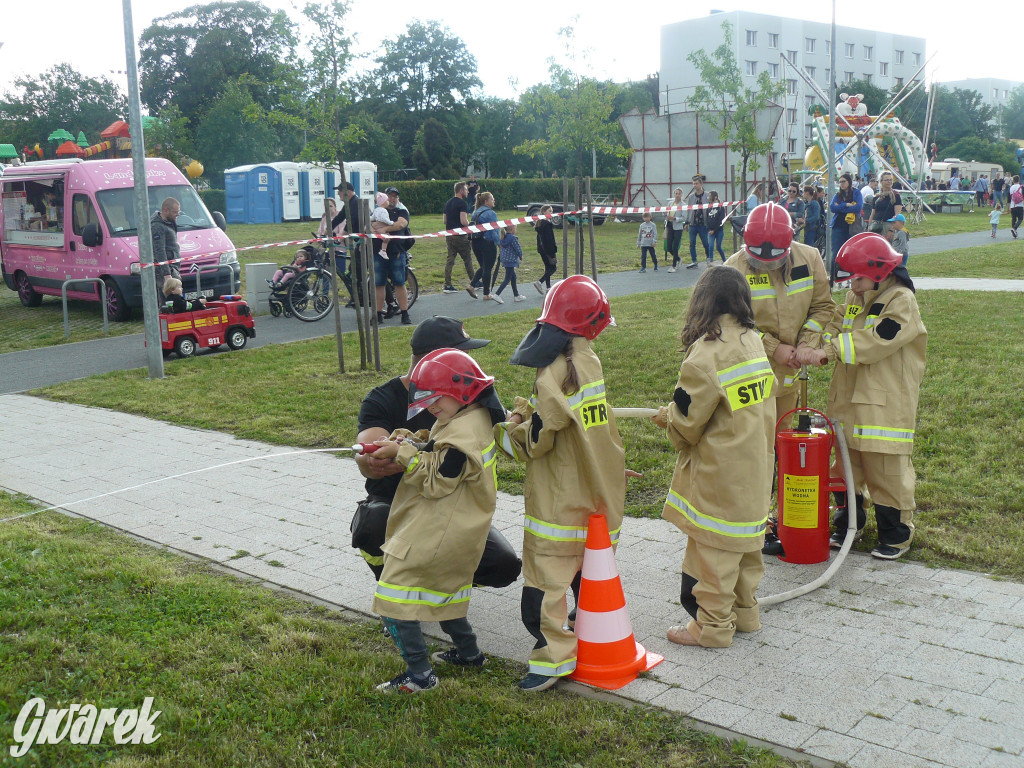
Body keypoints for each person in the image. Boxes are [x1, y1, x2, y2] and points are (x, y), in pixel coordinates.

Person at [495, 275, 625, 692]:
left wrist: (507, 430)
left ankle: (553, 659)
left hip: (557, 501)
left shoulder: (551, 370)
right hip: (595, 489)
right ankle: (588, 630)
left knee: (545, 585)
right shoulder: (588, 360)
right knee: (585, 570)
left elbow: (537, 442)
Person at [370, 348, 507, 693]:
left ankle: (420, 675)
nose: (431, 407)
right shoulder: (471, 417)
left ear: (461, 390)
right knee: (443, 592)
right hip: (457, 529)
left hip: (436, 531)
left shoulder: (463, 434)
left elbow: (438, 481)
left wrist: (403, 455)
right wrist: (411, 441)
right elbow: (441, 451)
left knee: (393, 598)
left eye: (436, 399)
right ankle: (470, 654)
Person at [653, 266, 775, 648]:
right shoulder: (753, 340)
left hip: (721, 473)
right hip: (756, 465)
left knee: (714, 552)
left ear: (702, 302)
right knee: (747, 546)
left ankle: (712, 628)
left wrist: (668, 418)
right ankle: (745, 615)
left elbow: (687, 426)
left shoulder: (704, 355)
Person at [352, 315, 521, 588]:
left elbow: (506, 423)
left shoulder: (466, 394)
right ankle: (392, 583)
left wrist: (526, 416)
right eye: (462, 353)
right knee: (374, 524)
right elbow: (371, 458)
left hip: (450, 508)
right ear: (438, 359)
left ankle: (441, 581)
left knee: (503, 565)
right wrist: (383, 453)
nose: (468, 361)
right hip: (397, 504)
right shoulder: (382, 399)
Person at [797, 232, 927, 560]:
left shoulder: (900, 301)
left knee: (886, 469)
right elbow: (837, 323)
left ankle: (895, 533)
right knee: (845, 466)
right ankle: (848, 524)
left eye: (856, 278)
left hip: (884, 403)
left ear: (879, 272)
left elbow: (876, 341)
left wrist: (829, 350)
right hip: (848, 400)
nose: (851, 285)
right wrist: (813, 343)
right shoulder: (857, 296)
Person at [375, 187, 413, 324]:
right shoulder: (377, 211)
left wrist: (384, 228)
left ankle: (404, 313)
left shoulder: (401, 211)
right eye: (390, 196)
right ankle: (378, 314)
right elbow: (368, 225)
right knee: (379, 284)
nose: (392, 199)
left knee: (399, 283)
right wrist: (375, 229)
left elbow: (401, 224)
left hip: (396, 252)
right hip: (378, 252)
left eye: (395, 196)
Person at [467, 191, 501, 303]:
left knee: (483, 266)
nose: (494, 201)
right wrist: (499, 244)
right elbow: (495, 230)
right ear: (486, 201)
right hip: (487, 242)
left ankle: (472, 285)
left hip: (476, 242)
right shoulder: (491, 213)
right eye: (492, 199)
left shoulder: (475, 212)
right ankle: (486, 293)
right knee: (488, 268)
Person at [442, 182, 474, 294]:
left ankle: (447, 284)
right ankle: (474, 281)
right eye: (466, 189)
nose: (467, 191)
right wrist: (471, 225)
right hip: (460, 236)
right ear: (461, 190)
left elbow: (444, 221)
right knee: (467, 259)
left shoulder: (448, 203)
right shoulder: (462, 204)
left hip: (449, 234)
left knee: (450, 260)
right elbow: (463, 221)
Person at [829, 173, 864, 274]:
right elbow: (832, 208)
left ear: (849, 182)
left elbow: (858, 207)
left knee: (851, 253)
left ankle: (849, 276)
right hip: (838, 226)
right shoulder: (838, 195)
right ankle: (833, 278)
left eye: (843, 181)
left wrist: (840, 207)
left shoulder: (856, 193)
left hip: (852, 227)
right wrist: (846, 205)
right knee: (836, 253)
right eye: (840, 182)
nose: (841, 184)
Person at [151, 197, 182, 294]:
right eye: (175, 212)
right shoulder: (157, 226)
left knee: (175, 298)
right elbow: (159, 250)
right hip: (166, 270)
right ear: (165, 210)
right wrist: (167, 274)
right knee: (171, 299)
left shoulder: (170, 222)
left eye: (178, 212)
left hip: (172, 267)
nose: (177, 214)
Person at [684, 175, 712, 269]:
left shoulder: (707, 195)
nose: (695, 185)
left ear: (701, 184)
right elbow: (689, 210)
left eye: (696, 183)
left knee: (705, 243)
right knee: (692, 243)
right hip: (693, 223)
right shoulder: (691, 197)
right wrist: (687, 222)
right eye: (694, 184)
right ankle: (694, 261)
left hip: (703, 223)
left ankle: (709, 258)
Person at [494, 223, 525, 301]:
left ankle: (516, 295)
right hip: (511, 260)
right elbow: (517, 248)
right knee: (507, 278)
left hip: (505, 260)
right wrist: (520, 256)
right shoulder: (513, 238)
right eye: (515, 228)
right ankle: (497, 294)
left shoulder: (503, 238)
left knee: (513, 277)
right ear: (512, 229)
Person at [533, 205, 558, 295]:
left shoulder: (540, 224)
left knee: (547, 268)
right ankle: (540, 282)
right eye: (549, 211)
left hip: (541, 249)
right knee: (553, 268)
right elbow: (549, 239)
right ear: (544, 212)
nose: (551, 213)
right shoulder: (547, 225)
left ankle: (548, 287)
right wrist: (552, 253)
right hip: (548, 250)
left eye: (552, 211)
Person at [868, 172, 902, 237]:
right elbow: (872, 214)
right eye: (887, 180)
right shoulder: (877, 196)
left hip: (888, 226)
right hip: (876, 226)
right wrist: (869, 227)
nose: (889, 182)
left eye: (890, 180)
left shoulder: (895, 195)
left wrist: (891, 230)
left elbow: (897, 215)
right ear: (881, 181)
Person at [665, 187, 686, 271]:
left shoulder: (683, 205)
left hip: (678, 228)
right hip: (670, 226)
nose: (677, 195)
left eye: (679, 194)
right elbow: (666, 212)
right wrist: (665, 214)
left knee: (675, 247)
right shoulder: (670, 203)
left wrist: (674, 218)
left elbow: (684, 218)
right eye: (676, 193)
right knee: (669, 247)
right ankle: (678, 258)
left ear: (681, 195)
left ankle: (674, 265)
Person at [705, 191, 727, 264]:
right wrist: (709, 229)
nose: (709, 198)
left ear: (715, 197)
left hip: (719, 231)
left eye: (710, 196)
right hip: (710, 231)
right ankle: (711, 262)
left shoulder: (721, 207)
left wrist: (714, 230)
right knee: (710, 246)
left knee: (718, 247)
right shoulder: (709, 207)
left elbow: (721, 220)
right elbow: (707, 219)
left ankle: (725, 260)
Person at [370, 192, 392, 260]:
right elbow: (384, 219)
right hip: (381, 225)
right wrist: (390, 223)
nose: (388, 202)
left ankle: (383, 250)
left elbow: (372, 218)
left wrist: (368, 218)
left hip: (376, 226)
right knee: (387, 238)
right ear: (384, 202)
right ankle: (383, 250)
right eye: (387, 200)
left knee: (384, 238)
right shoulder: (384, 211)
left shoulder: (376, 210)